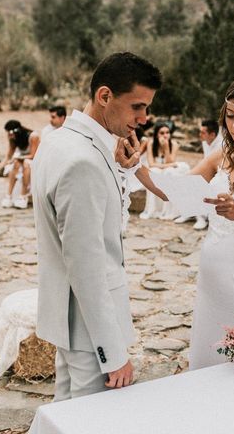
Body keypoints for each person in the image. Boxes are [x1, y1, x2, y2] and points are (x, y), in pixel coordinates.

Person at [132, 75, 234, 370]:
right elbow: (178, 191)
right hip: (212, 270)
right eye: (230, 117)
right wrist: (136, 166)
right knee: (208, 355)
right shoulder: (221, 154)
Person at [31, 52, 162, 402]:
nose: (143, 118)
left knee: (65, 413)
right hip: (89, 328)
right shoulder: (83, 162)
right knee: (90, 419)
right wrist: (112, 352)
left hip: (68, 317)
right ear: (104, 96)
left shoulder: (58, 141)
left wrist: (120, 169)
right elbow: (87, 265)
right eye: (137, 106)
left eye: (146, 108)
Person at [174, 119, 222, 229]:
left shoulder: (221, 145)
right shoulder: (205, 142)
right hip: (209, 172)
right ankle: (188, 213)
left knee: (197, 184)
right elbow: (205, 161)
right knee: (186, 178)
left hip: (219, 174)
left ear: (212, 134)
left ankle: (202, 218)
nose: (199, 135)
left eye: (203, 132)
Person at [139, 122, 189, 220]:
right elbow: (151, 164)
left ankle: (167, 211)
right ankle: (154, 210)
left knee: (168, 172)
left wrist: (166, 148)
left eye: (167, 132)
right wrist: (169, 165)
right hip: (155, 170)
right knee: (154, 172)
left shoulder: (174, 144)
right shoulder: (151, 143)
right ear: (157, 134)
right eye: (162, 133)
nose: (165, 135)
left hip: (166, 171)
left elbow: (170, 162)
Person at [0, 120, 40, 209]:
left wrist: (19, 158)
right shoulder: (13, 139)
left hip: (34, 160)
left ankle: (23, 195)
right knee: (15, 163)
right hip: (22, 159)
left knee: (26, 163)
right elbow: (8, 156)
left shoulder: (33, 136)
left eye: (10, 133)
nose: (9, 136)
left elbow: (34, 155)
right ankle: (8, 195)